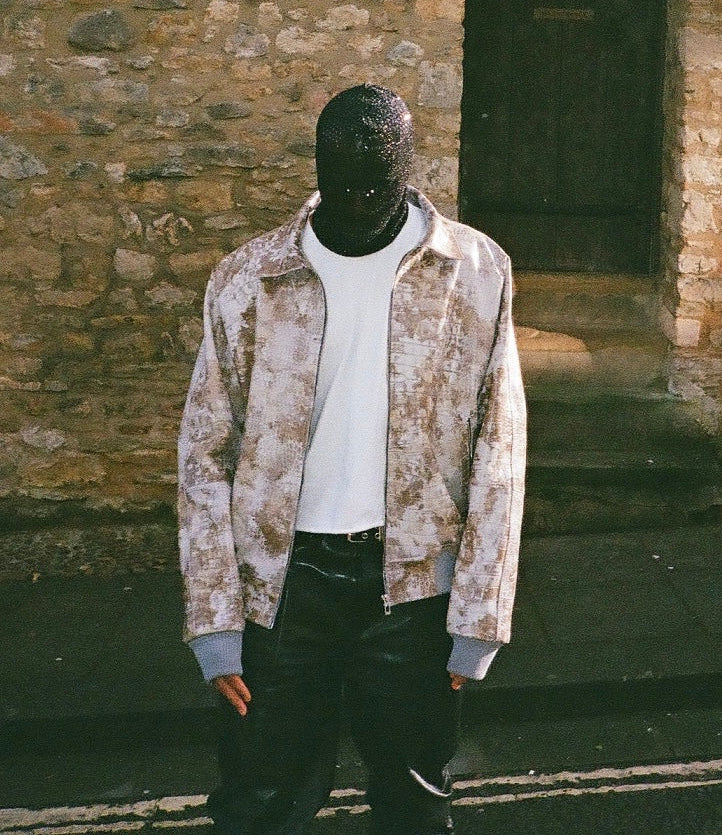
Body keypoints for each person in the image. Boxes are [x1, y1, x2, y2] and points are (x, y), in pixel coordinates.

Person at [178, 84, 526, 835]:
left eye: (378, 180)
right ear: (318, 166)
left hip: (414, 593)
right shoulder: (250, 278)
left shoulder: (475, 272)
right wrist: (214, 622)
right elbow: (204, 455)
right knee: (260, 803)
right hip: (281, 590)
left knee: (413, 806)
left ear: (406, 168)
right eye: (344, 180)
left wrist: (479, 618)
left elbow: (500, 450)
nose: (361, 198)